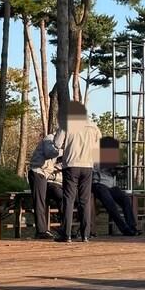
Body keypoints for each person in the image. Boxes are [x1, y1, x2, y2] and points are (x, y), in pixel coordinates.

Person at [55, 100, 100, 244]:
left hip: (71, 165)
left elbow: (56, 143)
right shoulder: (93, 127)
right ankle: (85, 235)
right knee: (85, 201)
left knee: (68, 199)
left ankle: (66, 234)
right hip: (87, 166)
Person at [92, 136, 138, 236]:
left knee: (125, 199)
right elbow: (94, 169)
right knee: (110, 203)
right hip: (99, 184)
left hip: (111, 185)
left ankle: (132, 226)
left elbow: (114, 171)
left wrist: (117, 170)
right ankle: (124, 229)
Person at [27, 134, 63, 240]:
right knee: (39, 202)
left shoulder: (59, 146)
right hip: (37, 172)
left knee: (60, 197)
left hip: (45, 176)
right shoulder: (49, 139)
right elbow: (49, 153)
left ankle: (65, 228)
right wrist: (62, 151)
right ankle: (41, 231)